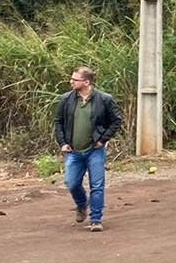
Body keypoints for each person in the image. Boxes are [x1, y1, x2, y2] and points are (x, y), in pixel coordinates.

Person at [52, 66, 123, 232]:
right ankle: (82, 204)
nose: (71, 82)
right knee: (71, 182)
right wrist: (62, 142)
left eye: (74, 79)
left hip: (95, 149)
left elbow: (117, 120)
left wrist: (103, 139)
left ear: (86, 82)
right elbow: (58, 121)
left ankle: (96, 219)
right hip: (73, 150)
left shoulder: (104, 99)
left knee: (97, 185)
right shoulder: (66, 99)